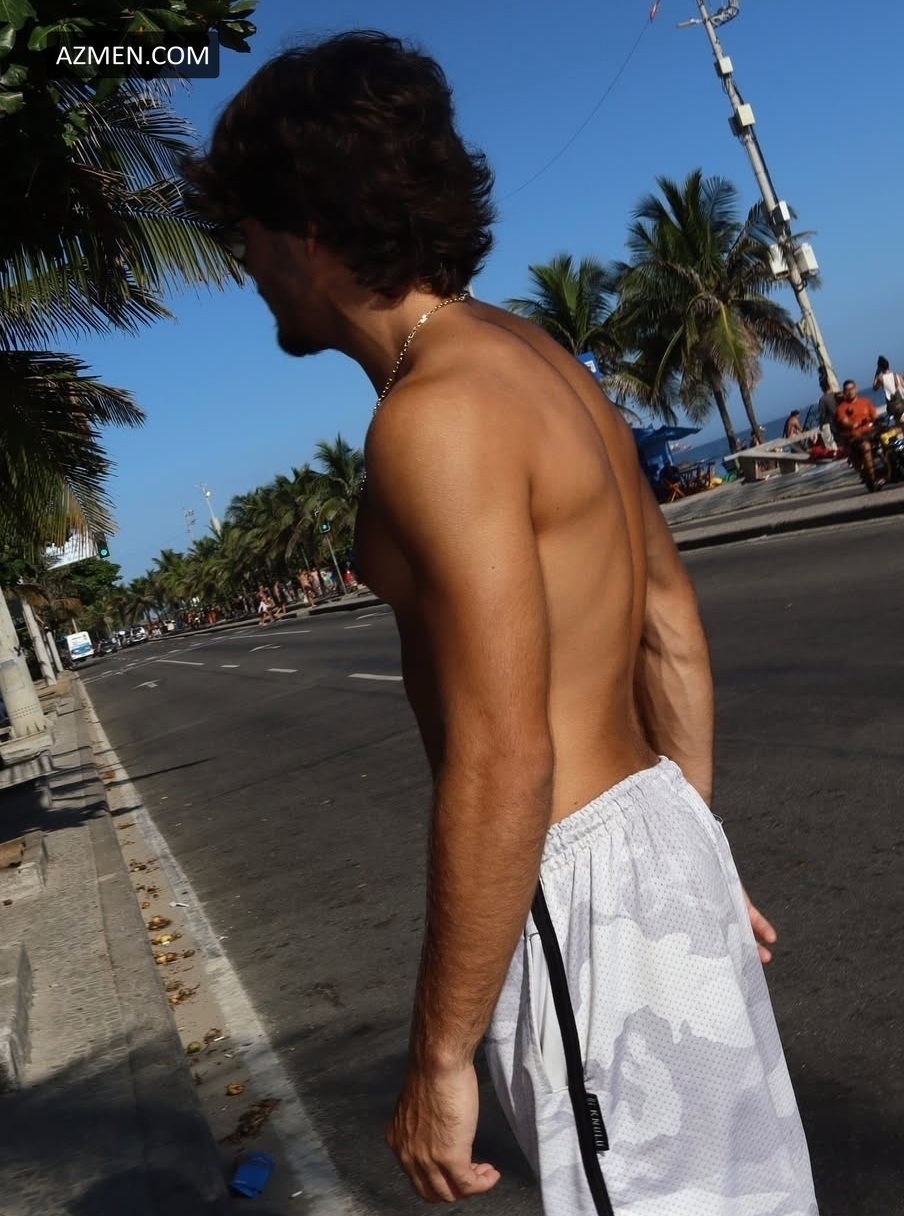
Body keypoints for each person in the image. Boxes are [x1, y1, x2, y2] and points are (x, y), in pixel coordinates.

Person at [185, 32, 818, 1215]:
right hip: (658, 833)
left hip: (573, 885)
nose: (246, 266)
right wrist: (689, 857)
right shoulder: (537, 357)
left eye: (248, 235)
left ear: (308, 230)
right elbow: (667, 622)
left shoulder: (434, 416)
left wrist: (439, 1055)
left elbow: (503, 751)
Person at [835, 379, 881, 489]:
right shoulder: (842, 408)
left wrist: (878, 421)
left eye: (852, 388)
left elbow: (874, 416)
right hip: (856, 436)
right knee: (866, 447)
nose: (850, 391)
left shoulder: (865, 401)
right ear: (844, 392)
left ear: (856, 389)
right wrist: (854, 424)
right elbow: (844, 422)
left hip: (871, 432)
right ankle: (872, 478)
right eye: (847, 390)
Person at [872, 356, 904, 420]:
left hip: (895, 406)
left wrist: (876, 374)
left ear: (880, 367)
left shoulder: (881, 378)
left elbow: (874, 388)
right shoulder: (898, 375)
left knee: (899, 423)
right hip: (902, 402)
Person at [816, 371, 840, 449]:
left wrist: (821, 425)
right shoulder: (838, 394)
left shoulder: (822, 400)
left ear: (822, 388)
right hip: (842, 421)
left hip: (834, 425)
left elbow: (822, 415)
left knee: (838, 444)